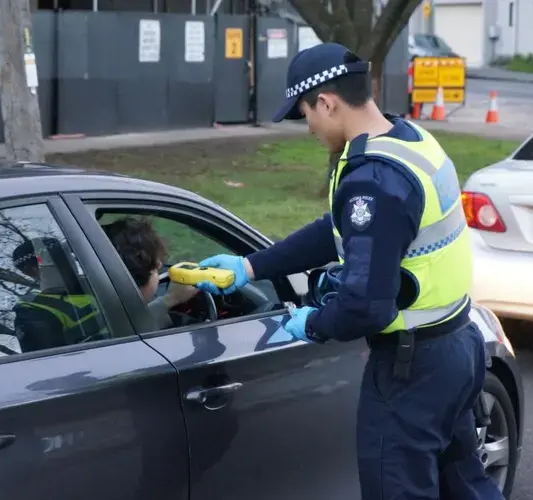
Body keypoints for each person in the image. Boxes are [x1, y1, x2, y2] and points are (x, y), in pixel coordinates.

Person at [195, 43, 503, 500]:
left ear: (327, 102)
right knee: (464, 484)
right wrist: (251, 264)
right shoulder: (408, 140)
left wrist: (313, 323)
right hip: (458, 346)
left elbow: (365, 305)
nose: (309, 128)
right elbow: (337, 229)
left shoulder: (373, 179)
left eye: (305, 115)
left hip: (411, 369)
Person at [12, 237, 108, 353]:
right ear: (31, 271)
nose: (68, 263)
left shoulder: (102, 282)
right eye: (55, 259)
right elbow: (49, 362)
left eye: (67, 256)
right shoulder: (33, 311)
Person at [101, 216, 199, 329]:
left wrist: (170, 300)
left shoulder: (99, 302)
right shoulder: (119, 331)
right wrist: (173, 297)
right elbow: (133, 328)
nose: (160, 265)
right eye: (156, 269)